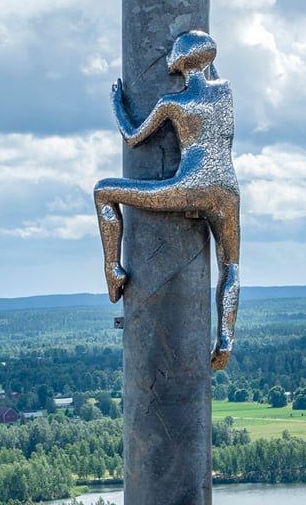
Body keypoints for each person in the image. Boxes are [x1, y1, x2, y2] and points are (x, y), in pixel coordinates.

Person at [92, 30, 240, 370]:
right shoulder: (226, 92)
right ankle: (227, 337)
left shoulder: (172, 104)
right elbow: (211, 72)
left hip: (191, 186)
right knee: (230, 266)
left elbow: (132, 138)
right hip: (227, 191)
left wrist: (117, 105)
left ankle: (112, 270)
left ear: (176, 62)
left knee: (104, 191)